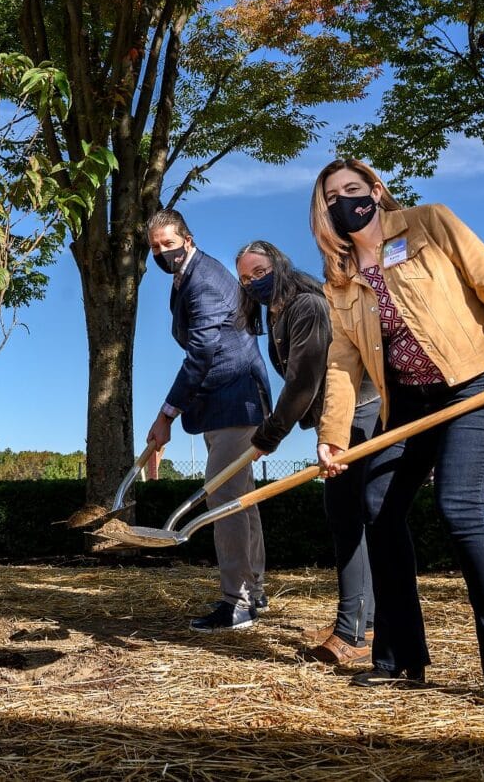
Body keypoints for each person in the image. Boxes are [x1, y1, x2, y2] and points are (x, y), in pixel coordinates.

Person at [310, 157, 484, 705]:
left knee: (461, 508)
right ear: (324, 212)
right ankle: (399, 659)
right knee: (378, 504)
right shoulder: (341, 278)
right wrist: (334, 435)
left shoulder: (429, 224)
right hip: (411, 402)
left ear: (376, 188)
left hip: (476, 382)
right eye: (331, 197)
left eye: (353, 188)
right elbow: (344, 361)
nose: (344, 200)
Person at [234, 240, 380, 665]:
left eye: (259, 272)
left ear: (279, 264)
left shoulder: (307, 305)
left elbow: (304, 380)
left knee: (347, 515)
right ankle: (363, 621)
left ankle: (352, 634)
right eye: (245, 278)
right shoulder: (278, 312)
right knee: (349, 513)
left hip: (360, 412)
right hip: (339, 416)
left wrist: (269, 434)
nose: (253, 282)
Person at [145, 209, 271, 632]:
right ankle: (253, 592)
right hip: (226, 401)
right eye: (155, 247)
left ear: (187, 238)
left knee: (224, 501)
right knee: (240, 498)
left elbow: (202, 353)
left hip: (235, 398)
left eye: (168, 243)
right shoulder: (188, 278)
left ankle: (236, 603)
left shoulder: (204, 281)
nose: (163, 253)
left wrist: (166, 415)